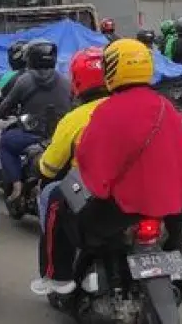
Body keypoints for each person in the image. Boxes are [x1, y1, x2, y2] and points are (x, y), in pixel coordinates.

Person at [35, 38, 182, 296]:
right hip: (171, 205)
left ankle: (60, 278)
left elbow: (91, 164)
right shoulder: (165, 108)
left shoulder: (106, 112)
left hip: (120, 209)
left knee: (58, 198)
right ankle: (174, 266)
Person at [32, 46, 108, 293]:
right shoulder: (145, 107)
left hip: (90, 190)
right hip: (146, 187)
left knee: (51, 195)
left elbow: (49, 168)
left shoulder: (75, 118)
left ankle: (56, 273)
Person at [0, 39, 72, 205]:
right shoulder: (66, 81)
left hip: (32, 135)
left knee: (6, 143)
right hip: (59, 137)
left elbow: (7, 105)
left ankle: (16, 184)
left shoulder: (24, 80)